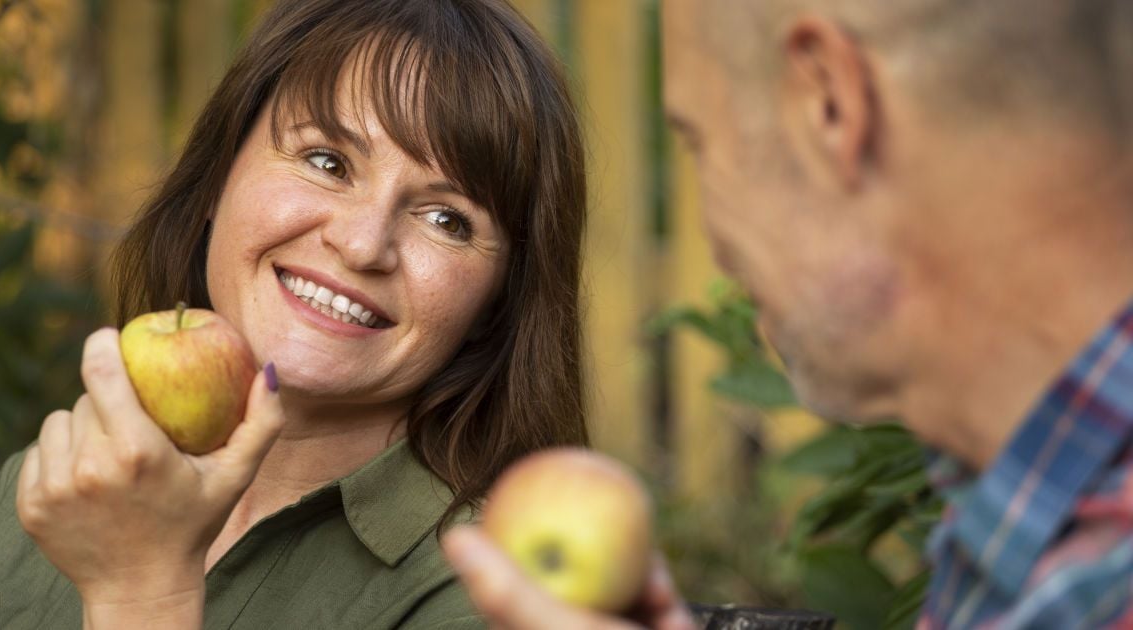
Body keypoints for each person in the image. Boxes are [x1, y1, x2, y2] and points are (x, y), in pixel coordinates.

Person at [444, 0, 1133, 627]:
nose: (714, 242)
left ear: (828, 102)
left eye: (698, 141)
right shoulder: (1029, 521)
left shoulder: (1097, 590)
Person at [0, 0, 589, 627]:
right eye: (327, 161)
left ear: (498, 300)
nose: (362, 245)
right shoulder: (52, 489)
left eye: (447, 219)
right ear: (219, 174)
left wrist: (142, 597)